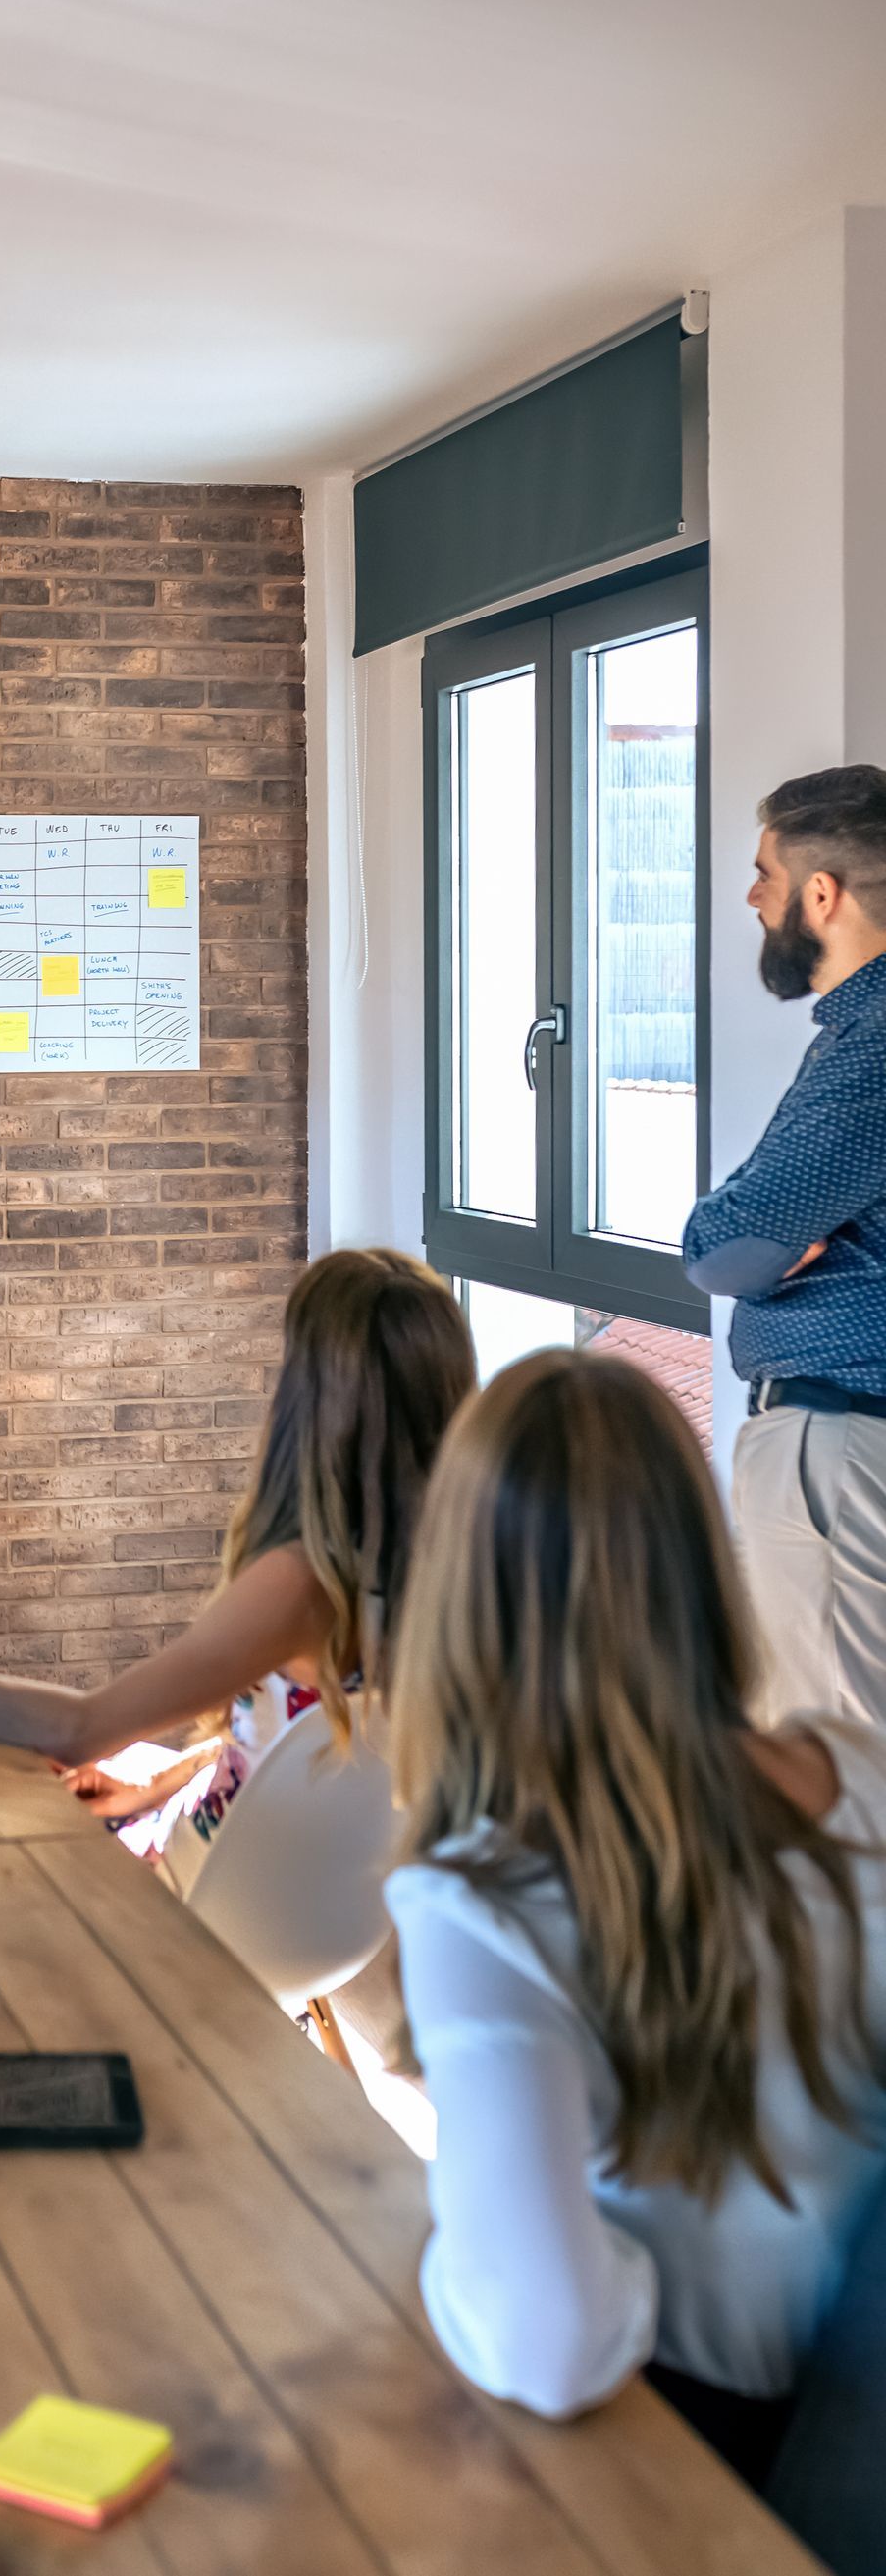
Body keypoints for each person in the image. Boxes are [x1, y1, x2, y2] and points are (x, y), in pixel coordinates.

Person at [388, 1351, 886, 2480]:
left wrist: (470, 2252)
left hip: (716, 2466)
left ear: (463, 1592)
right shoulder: (865, 1771)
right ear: (702, 1560)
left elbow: (550, 2340)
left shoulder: (483, 1899)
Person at [0, 1249, 476, 1871]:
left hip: (183, 1905)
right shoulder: (454, 1576)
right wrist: (155, 1784)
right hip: (283, 1906)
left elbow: (78, 1730)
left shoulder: (300, 1584)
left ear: (313, 1399)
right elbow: (296, 1744)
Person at [683, 765, 886, 1722]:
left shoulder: (875, 1045)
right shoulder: (853, 1032)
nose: (752, 895)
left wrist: (756, 1240)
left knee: (835, 1762)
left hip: (840, 1445)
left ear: (822, 893)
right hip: (841, 1439)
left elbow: (725, 1245)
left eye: (765, 870)